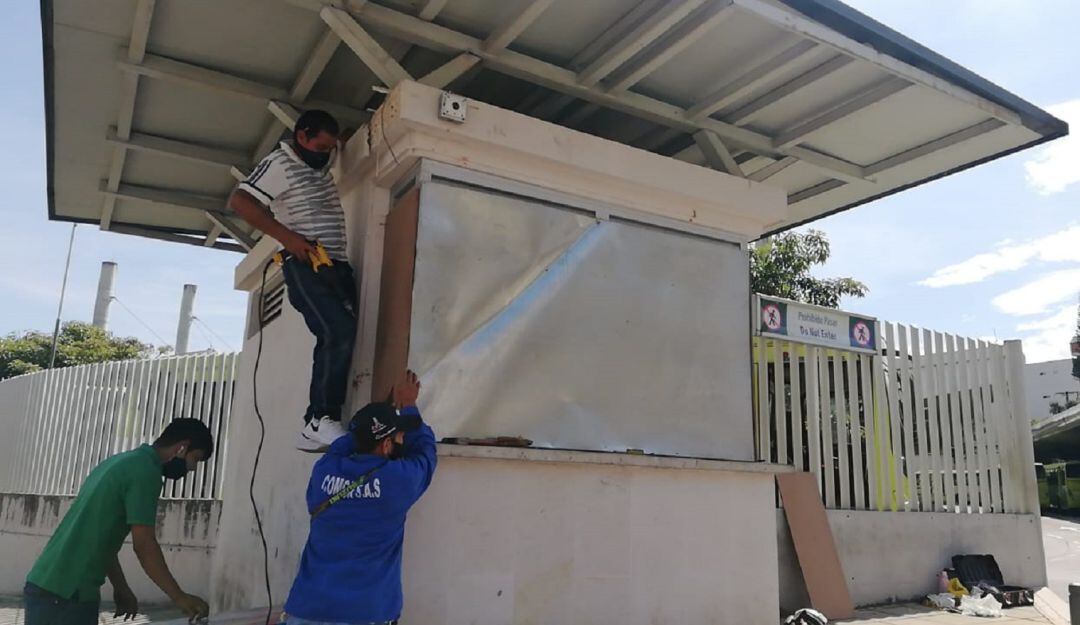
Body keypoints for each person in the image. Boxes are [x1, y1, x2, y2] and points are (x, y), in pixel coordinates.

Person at [229, 109, 356, 452]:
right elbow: (240, 201)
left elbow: (333, 149)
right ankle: (318, 421)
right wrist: (289, 239)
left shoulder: (318, 164)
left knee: (343, 336)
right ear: (301, 137)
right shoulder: (279, 164)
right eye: (321, 146)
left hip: (335, 264)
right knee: (336, 331)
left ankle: (324, 420)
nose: (326, 153)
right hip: (307, 262)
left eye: (331, 148)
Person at [282, 370, 437, 625]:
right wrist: (409, 407)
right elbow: (426, 454)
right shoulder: (397, 480)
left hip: (306, 610)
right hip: (365, 614)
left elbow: (342, 446)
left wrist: (365, 432)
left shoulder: (324, 472)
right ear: (387, 445)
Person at [24, 418, 214, 625]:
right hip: (68, 594)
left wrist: (121, 587)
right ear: (182, 447)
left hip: (47, 584)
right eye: (195, 459)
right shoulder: (146, 472)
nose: (192, 468)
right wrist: (179, 597)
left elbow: (100, 538)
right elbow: (144, 545)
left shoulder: (119, 462)